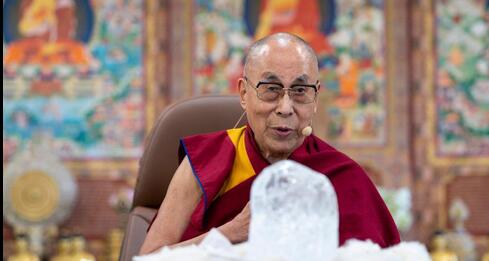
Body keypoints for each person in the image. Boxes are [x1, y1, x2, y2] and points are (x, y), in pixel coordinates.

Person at [139, 33, 400, 255]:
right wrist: (233, 231)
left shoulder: (341, 176)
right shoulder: (206, 161)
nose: (285, 108)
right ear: (243, 93)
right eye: (271, 88)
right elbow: (148, 259)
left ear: (316, 97)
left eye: (300, 91)